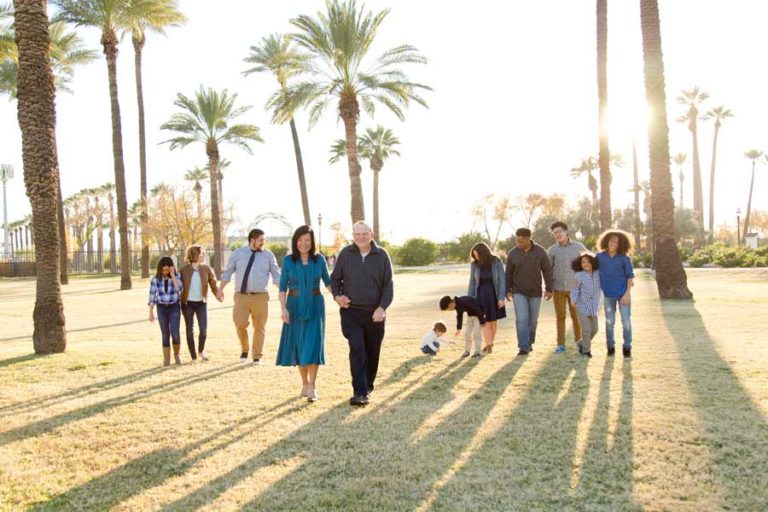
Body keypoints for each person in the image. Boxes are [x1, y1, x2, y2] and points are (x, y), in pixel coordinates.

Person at [331, 221, 394, 407]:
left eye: (364, 234)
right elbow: (335, 280)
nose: (360, 237)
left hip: (375, 313)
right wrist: (338, 296)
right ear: (353, 235)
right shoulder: (345, 254)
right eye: (357, 234)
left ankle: (367, 386)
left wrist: (382, 308)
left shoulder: (382, 255)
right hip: (351, 312)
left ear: (371, 234)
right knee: (357, 349)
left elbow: (388, 285)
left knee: (372, 352)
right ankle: (359, 392)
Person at [276, 226, 332, 402]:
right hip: (293, 306)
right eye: (300, 240)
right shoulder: (288, 261)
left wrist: (340, 298)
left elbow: (328, 283)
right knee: (299, 345)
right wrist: (283, 308)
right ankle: (305, 383)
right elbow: (283, 286)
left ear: (312, 242)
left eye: (307, 240)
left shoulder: (319, 260)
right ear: (295, 242)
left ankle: (313, 385)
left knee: (313, 344)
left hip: (316, 305)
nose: (303, 243)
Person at [218, 228, 280, 366]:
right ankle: (245, 349)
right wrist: (220, 289)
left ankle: (257, 356)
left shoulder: (268, 255)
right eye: (261, 240)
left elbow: (276, 274)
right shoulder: (238, 253)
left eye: (264, 240)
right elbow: (228, 272)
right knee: (240, 324)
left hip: (261, 296)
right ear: (252, 240)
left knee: (260, 327)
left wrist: (282, 289)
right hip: (241, 296)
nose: (263, 242)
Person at [505, 228, 554, 356]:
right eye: (517, 241)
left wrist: (549, 289)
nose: (518, 244)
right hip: (518, 291)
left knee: (533, 321)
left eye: (521, 242)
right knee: (522, 319)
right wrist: (508, 290)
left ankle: (529, 342)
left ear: (528, 239)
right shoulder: (512, 253)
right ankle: (523, 346)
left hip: (535, 292)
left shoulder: (540, 251)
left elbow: (547, 270)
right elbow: (508, 273)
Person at [547, 221, 586, 353]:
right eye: (555, 233)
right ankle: (561, 345)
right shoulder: (552, 250)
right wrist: (549, 288)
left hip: (575, 288)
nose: (557, 235)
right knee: (560, 317)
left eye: (559, 232)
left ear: (566, 232)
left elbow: (588, 264)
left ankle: (579, 342)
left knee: (576, 317)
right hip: (558, 289)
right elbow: (548, 270)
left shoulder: (578, 247)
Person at [595, 230, 635, 359]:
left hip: (623, 295)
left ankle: (627, 348)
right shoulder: (600, 257)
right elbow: (591, 272)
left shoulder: (624, 258)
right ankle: (610, 347)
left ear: (621, 244)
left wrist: (627, 294)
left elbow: (630, 278)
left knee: (626, 322)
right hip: (608, 296)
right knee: (609, 322)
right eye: (611, 241)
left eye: (617, 242)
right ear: (606, 241)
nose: (613, 243)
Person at [179, 245, 222, 362]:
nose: (204, 255)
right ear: (195, 255)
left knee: (203, 329)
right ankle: (193, 356)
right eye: (202, 253)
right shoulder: (183, 270)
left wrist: (218, 294)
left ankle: (201, 351)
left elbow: (213, 284)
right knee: (189, 330)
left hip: (201, 303)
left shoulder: (206, 269)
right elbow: (177, 285)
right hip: (187, 304)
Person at [467, 242, 506, 354]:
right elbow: (472, 282)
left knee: (493, 322)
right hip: (480, 295)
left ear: (484, 253)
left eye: (478, 255)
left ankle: (490, 343)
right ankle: (489, 345)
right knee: (485, 321)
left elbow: (502, 281)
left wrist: (501, 298)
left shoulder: (496, 262)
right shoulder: (474, 265)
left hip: (494, 295)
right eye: (474, 256)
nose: (476, 257)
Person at [148, 256, 183, 366]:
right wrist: (151, 312)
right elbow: (152, 296)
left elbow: (179, 289)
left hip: (174, 307)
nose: (165, 272)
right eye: (163, 269)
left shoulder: (176, 276)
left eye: (167, 270)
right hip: (161, 308)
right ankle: (166, 359)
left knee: (175, 332)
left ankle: (177, 355)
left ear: (171, 269)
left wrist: (173, 276)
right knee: (165, 334)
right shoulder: (155, 279)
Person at [570, 253, 602, 358]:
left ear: (593, 262)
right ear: (580, 264)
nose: (586, 264)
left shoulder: (598, 274)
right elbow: (575, 289)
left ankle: (581, 343)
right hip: (582, 306)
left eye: (588, 261)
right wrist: (573, 300)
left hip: (594, 307)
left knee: (595, 329)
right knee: (586, 330)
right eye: (583, 262)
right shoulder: (579, 276)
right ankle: (586, 351)